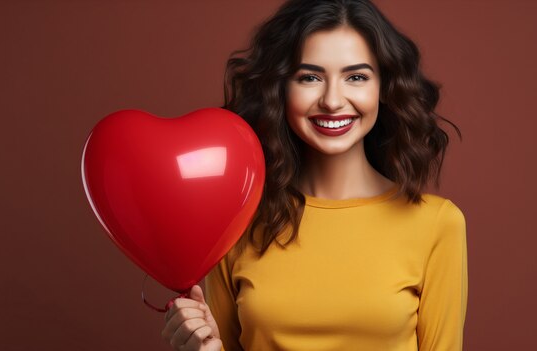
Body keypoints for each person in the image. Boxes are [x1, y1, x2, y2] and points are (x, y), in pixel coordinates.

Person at [161, 0, 467, 350]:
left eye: (356, 77)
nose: (332, 100)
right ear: (281, 89)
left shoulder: (437, 224)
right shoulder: (237, 221)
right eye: (309, 77)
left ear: (383, 87)